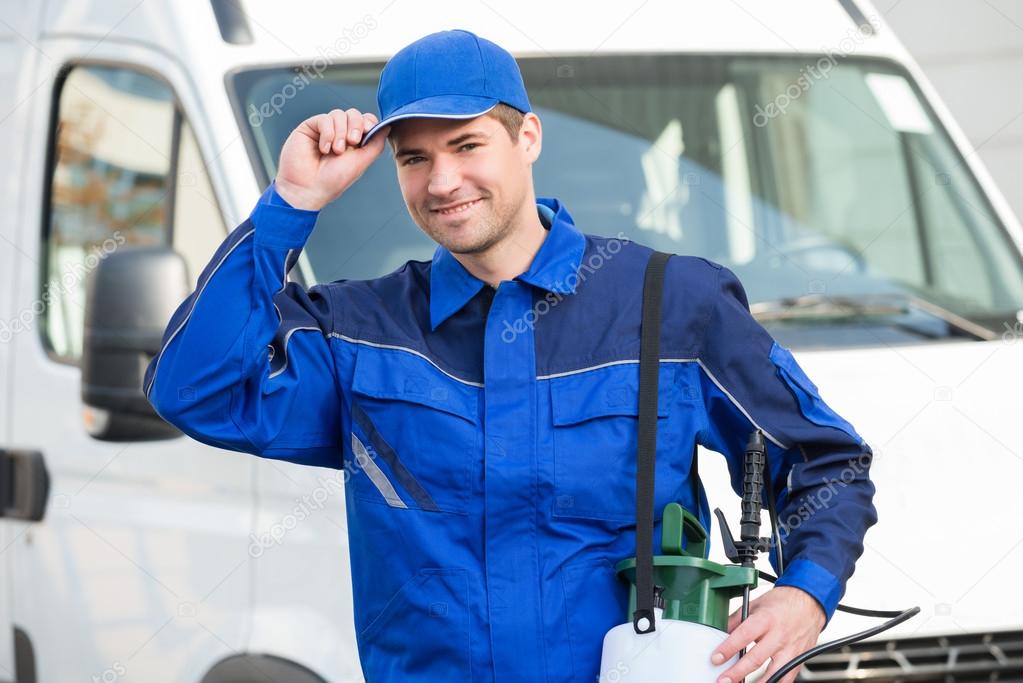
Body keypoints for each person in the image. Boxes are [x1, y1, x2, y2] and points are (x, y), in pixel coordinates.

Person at [144, 28, 877, 683]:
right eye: (414, 158)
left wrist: (803, 593)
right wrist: (291, 201)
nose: (441, 182)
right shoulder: (358, 332)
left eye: (467, 146)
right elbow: (195, 390)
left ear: (527, 136)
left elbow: (825, 461)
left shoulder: (670, 304)